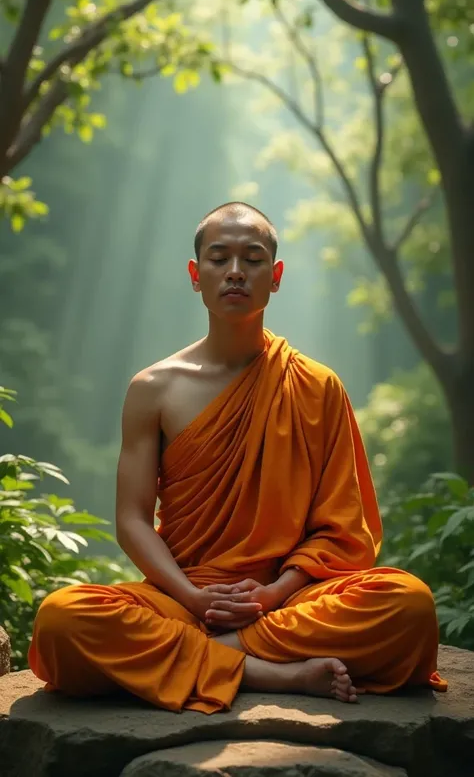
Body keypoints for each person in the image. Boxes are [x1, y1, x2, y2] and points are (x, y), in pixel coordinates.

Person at [28, 202, 447, 713]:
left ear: (275, 277)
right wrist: (192, 597)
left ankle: (205, 660)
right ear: (194, 274)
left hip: (286, 600)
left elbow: (343, 530)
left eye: (251, 259)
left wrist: (272, 595)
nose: (234, 272)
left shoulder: (316, 386)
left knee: (407, 605)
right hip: (184, 598)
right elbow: (132, 520)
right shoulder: (154, 389)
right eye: (218, 257)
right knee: (62, 619)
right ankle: (272, 674)